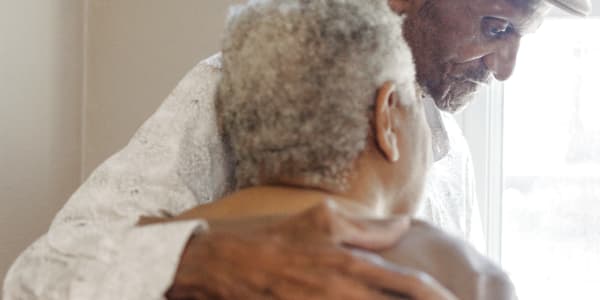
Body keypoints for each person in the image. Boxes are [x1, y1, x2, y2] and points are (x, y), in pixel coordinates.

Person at [3, 0, 591, 299]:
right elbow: (38, 277)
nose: (506, 68)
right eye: (496, 26)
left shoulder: (452, 151)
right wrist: (204, 259)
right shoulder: (235, 85)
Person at [157, 1, 517, 298]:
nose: (504, 68)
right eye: (496, 26)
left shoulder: (150, 257)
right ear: (387, 118)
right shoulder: (464, 275)